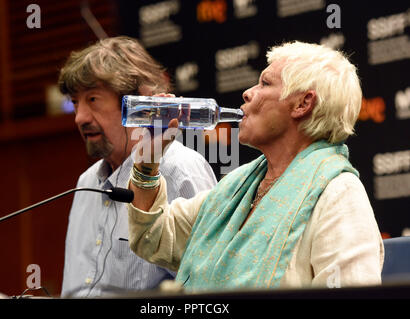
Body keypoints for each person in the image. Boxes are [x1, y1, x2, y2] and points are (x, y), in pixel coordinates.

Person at [127, 41, 384, 291]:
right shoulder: (238, 186)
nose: (247, 92)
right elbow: (153, 237)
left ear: (302, 104)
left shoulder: (339, 196)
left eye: (265, 83)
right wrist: (148, 160)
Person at [57, 36, 217, 297]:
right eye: (75, 102)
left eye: (93, 99)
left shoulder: (180, 169)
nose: (80, 117)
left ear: (138, 103)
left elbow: (209, 289)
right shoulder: (85, 183)